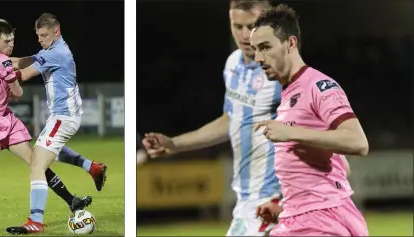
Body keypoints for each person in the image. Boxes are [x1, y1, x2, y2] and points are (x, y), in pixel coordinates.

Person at [141, 1, 284, 236]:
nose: (245, 35)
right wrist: (175, 144)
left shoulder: (281, 70)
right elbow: (231, 120)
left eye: (252, 26)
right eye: (237, 26)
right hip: (246, 202)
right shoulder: (233, 65)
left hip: (274, 200)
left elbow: (310, 126)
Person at [0, 19, 93, 236]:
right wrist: (8, 82)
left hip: (5, 117)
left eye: (12, 40)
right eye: (6, 42)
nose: (10, 45)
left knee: (36, 161)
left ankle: (71, 201)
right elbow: (19, 92)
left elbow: (11, 64)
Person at [249, 4, 368, 236]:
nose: (258, 57)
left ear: (291, 43)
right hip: (303, 216)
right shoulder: (288, 96)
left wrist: (291, 133)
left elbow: (358, 142)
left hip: (323, 219)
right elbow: (341, 166)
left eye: (265, 47)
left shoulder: (318, 86)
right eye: (255, 49)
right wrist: (285, 205)